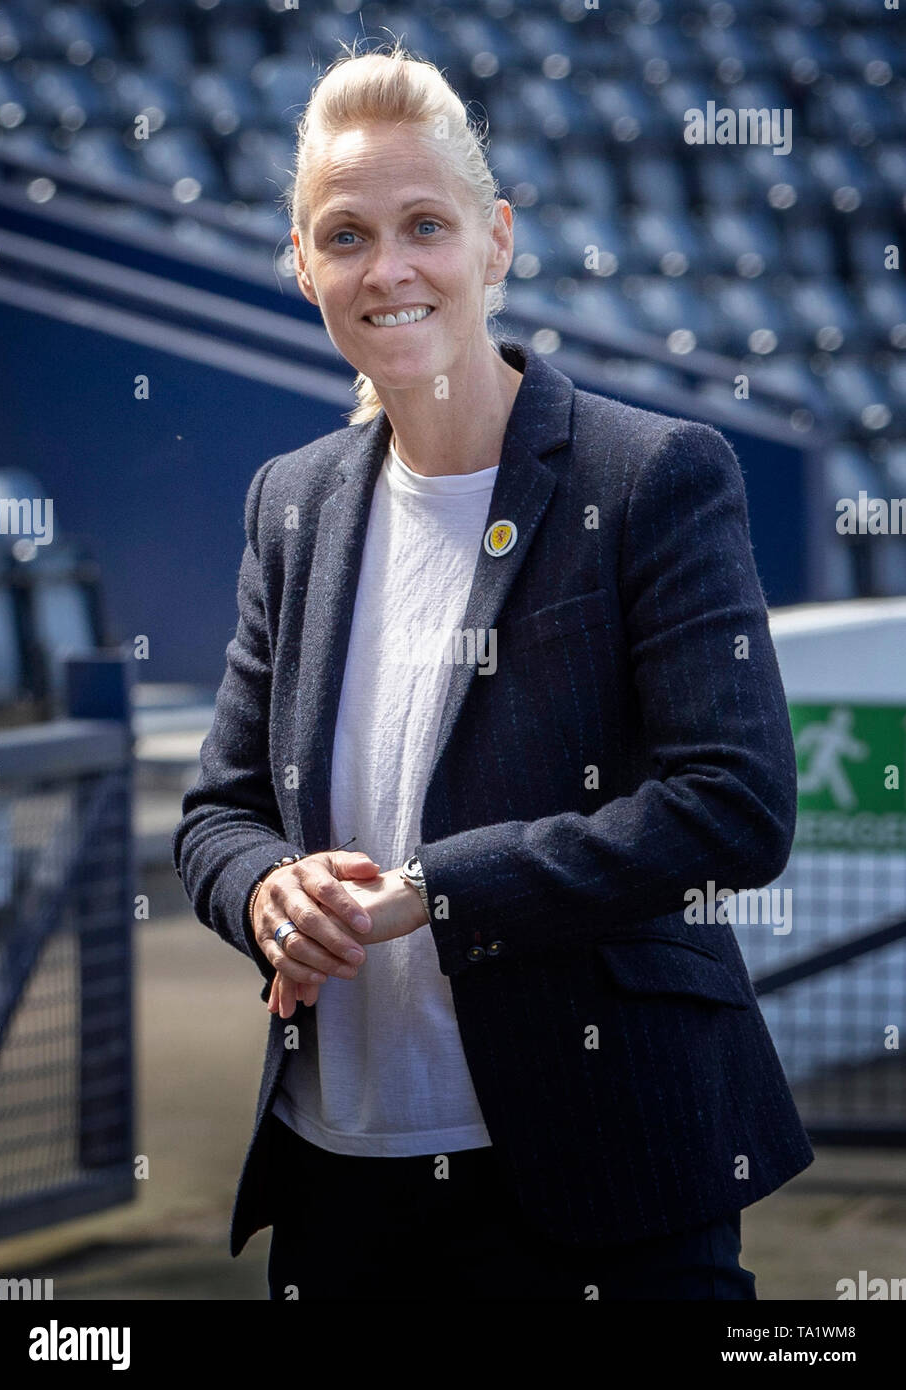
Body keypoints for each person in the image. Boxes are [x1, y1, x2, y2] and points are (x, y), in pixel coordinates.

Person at [171, 40, 814, 1301]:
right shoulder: (288, 503)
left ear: (498, 240)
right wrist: (266, 894)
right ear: (302, 267)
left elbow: (734, 804)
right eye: (345, 235)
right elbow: (219, 811)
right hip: (340, 1179)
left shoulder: (654, 475)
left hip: (601, 1180)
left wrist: (433, 889)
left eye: (426, 224)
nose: (389, 267)